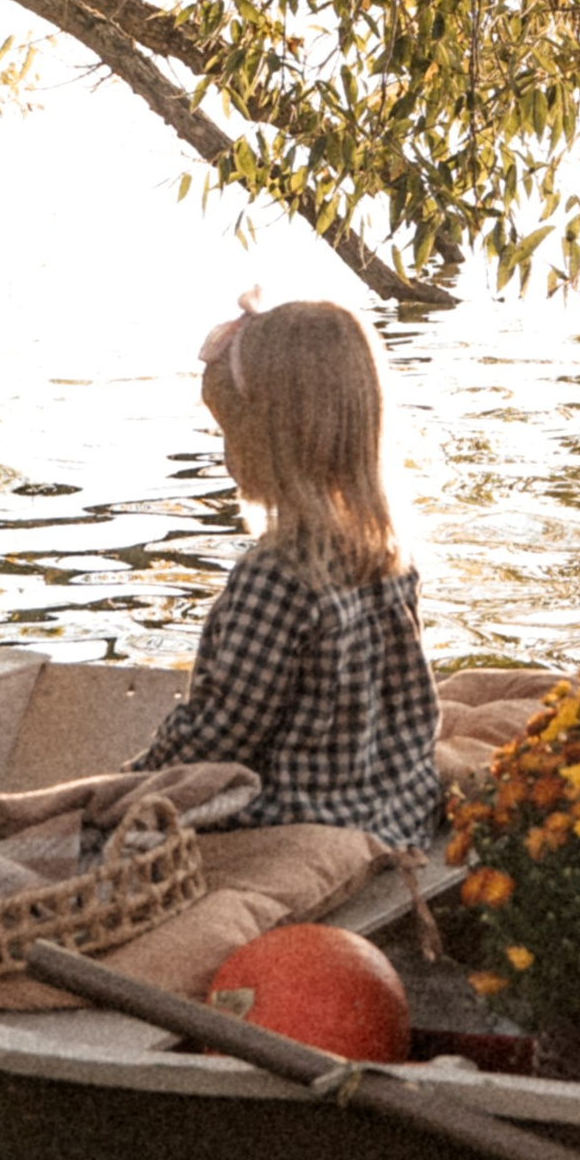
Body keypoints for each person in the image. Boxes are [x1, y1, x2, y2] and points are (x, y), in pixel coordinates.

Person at [134, 296, 441, 850]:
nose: (225, 454)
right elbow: (411, 713)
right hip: (395, 810)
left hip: (292, 822)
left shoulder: (276, 576)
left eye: (229, 433)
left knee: (81, 829)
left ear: (270, 440)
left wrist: (131, 784)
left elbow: (217, 736)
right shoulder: (389, 554)